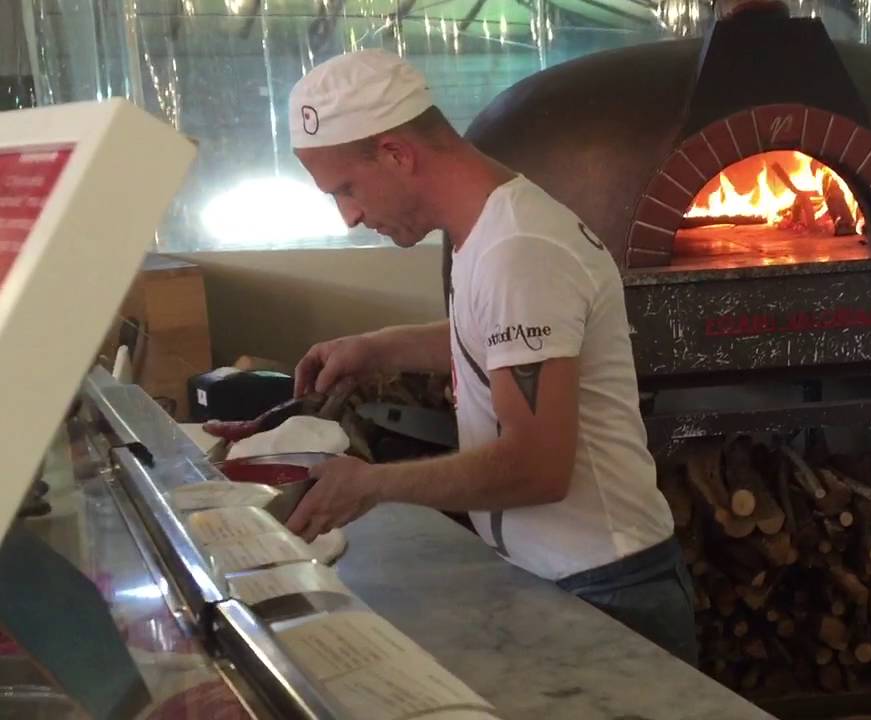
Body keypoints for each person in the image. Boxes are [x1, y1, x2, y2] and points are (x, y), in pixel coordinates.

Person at [237, 49, 695, 663]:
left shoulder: (520, 250)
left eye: (345, 188)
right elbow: (495, 332)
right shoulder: (491, 230)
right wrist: (375, 348)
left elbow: (538, 467)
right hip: (565, 578)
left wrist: (371, 486)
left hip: (608, 591)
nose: (347, 216)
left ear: (398, 153)